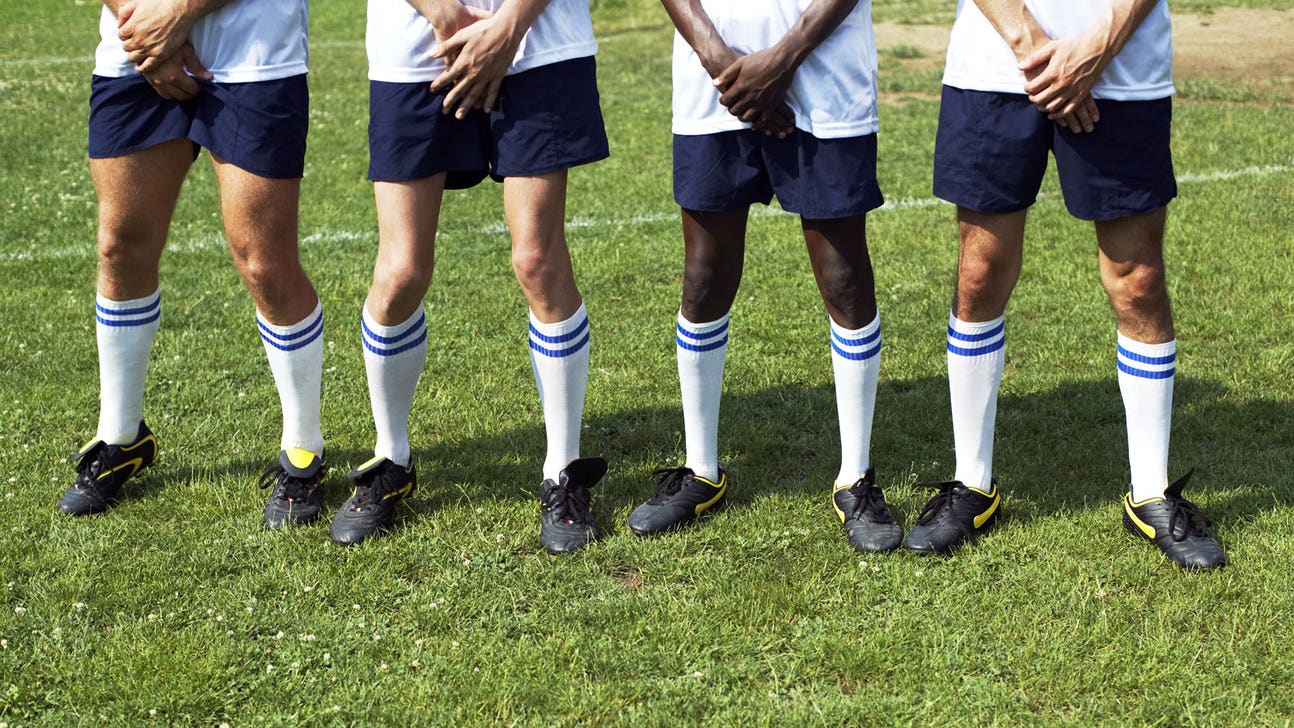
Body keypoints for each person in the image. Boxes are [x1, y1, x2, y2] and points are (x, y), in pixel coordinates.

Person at [912, 0, 1225, 568]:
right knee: (979, 273)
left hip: (1124, 70)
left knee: (1138, 280)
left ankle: (1151, 493)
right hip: (995, 65)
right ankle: (972, 484)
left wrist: (1097, 45)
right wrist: (1033, 46)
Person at [332, 0, 609, 551]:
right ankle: (392, 460)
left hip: (539, 42)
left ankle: (562, 470)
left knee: (538, 259)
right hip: (416, 48)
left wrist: (511, 25)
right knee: (400, 271)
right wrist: (443, 13)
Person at [627, 0, 902, 553]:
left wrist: (783, 58)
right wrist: (720, 62)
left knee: (843, 275)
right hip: (715, 83)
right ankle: (701, 468)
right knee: (704, 274)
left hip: (825, 75)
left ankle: (856, 477)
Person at [59, 0, 330, 531]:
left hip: (253, 46)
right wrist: (146, 31)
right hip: (134, 44)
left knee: (264, 262)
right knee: (121, 245)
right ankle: (121, 436)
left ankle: (304, 449)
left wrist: (178, 14)